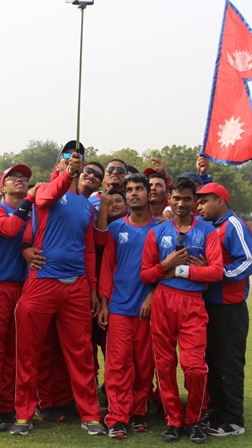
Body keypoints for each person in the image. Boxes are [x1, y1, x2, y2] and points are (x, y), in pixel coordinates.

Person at [12, 141, 105, 436]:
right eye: (66, 158)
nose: (72, 162)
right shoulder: (43, 191)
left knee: (81, 355)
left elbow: (89, 249)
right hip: (42, 283)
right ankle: (23, 416)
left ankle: (91, 415)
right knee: (28, 353)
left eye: (76, 159)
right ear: (59, 164)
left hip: (76, 286)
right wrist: (67, 174)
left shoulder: (85, 206)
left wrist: (91, 288)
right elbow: (52, 193)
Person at [140, 177, 224, 444]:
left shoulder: (208, 231)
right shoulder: (157, 232)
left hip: (192, 304)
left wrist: (182, 270)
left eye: (187, 198)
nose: (181, 203)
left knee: (195, 368)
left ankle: (196, 419)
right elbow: (145, 274)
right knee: (164, 366)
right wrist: (165, 264)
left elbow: (216, 271)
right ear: (169, 200)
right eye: (176, 198)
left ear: (194, 202)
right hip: (163, 302)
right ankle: (174, 420)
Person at [0, 164, 40, 431]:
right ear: (2, 186)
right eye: (13, 178)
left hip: (24, 287)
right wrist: (29, 200)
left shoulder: (34, 212)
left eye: (24, 178)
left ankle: (7, 406)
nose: (20, 181)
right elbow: (12, 229)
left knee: (16, 351)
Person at [97, 173, 158, 439]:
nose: (134, 193)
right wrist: (103, 303)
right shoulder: (115, 229)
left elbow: (166, 270)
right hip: (120, 308)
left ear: (148, 194)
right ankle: (117, 418)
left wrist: (152, 296)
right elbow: (107, 269)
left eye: (139, 189)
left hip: (149, 310)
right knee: (118, 366)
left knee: (144, 365)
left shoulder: (162, 229)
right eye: (129, 189)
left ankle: (138, 413)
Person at [196, 183, 252, 437]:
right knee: (215, 363)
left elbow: (246, 262)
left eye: (203, 202)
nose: (199, 207)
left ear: (220, 201)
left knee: (229, 364)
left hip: (230, 309)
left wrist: (217, 273)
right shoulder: (211, 228)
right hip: (211, 309)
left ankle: (233, 421)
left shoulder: (234, 226)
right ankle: (218, 413)